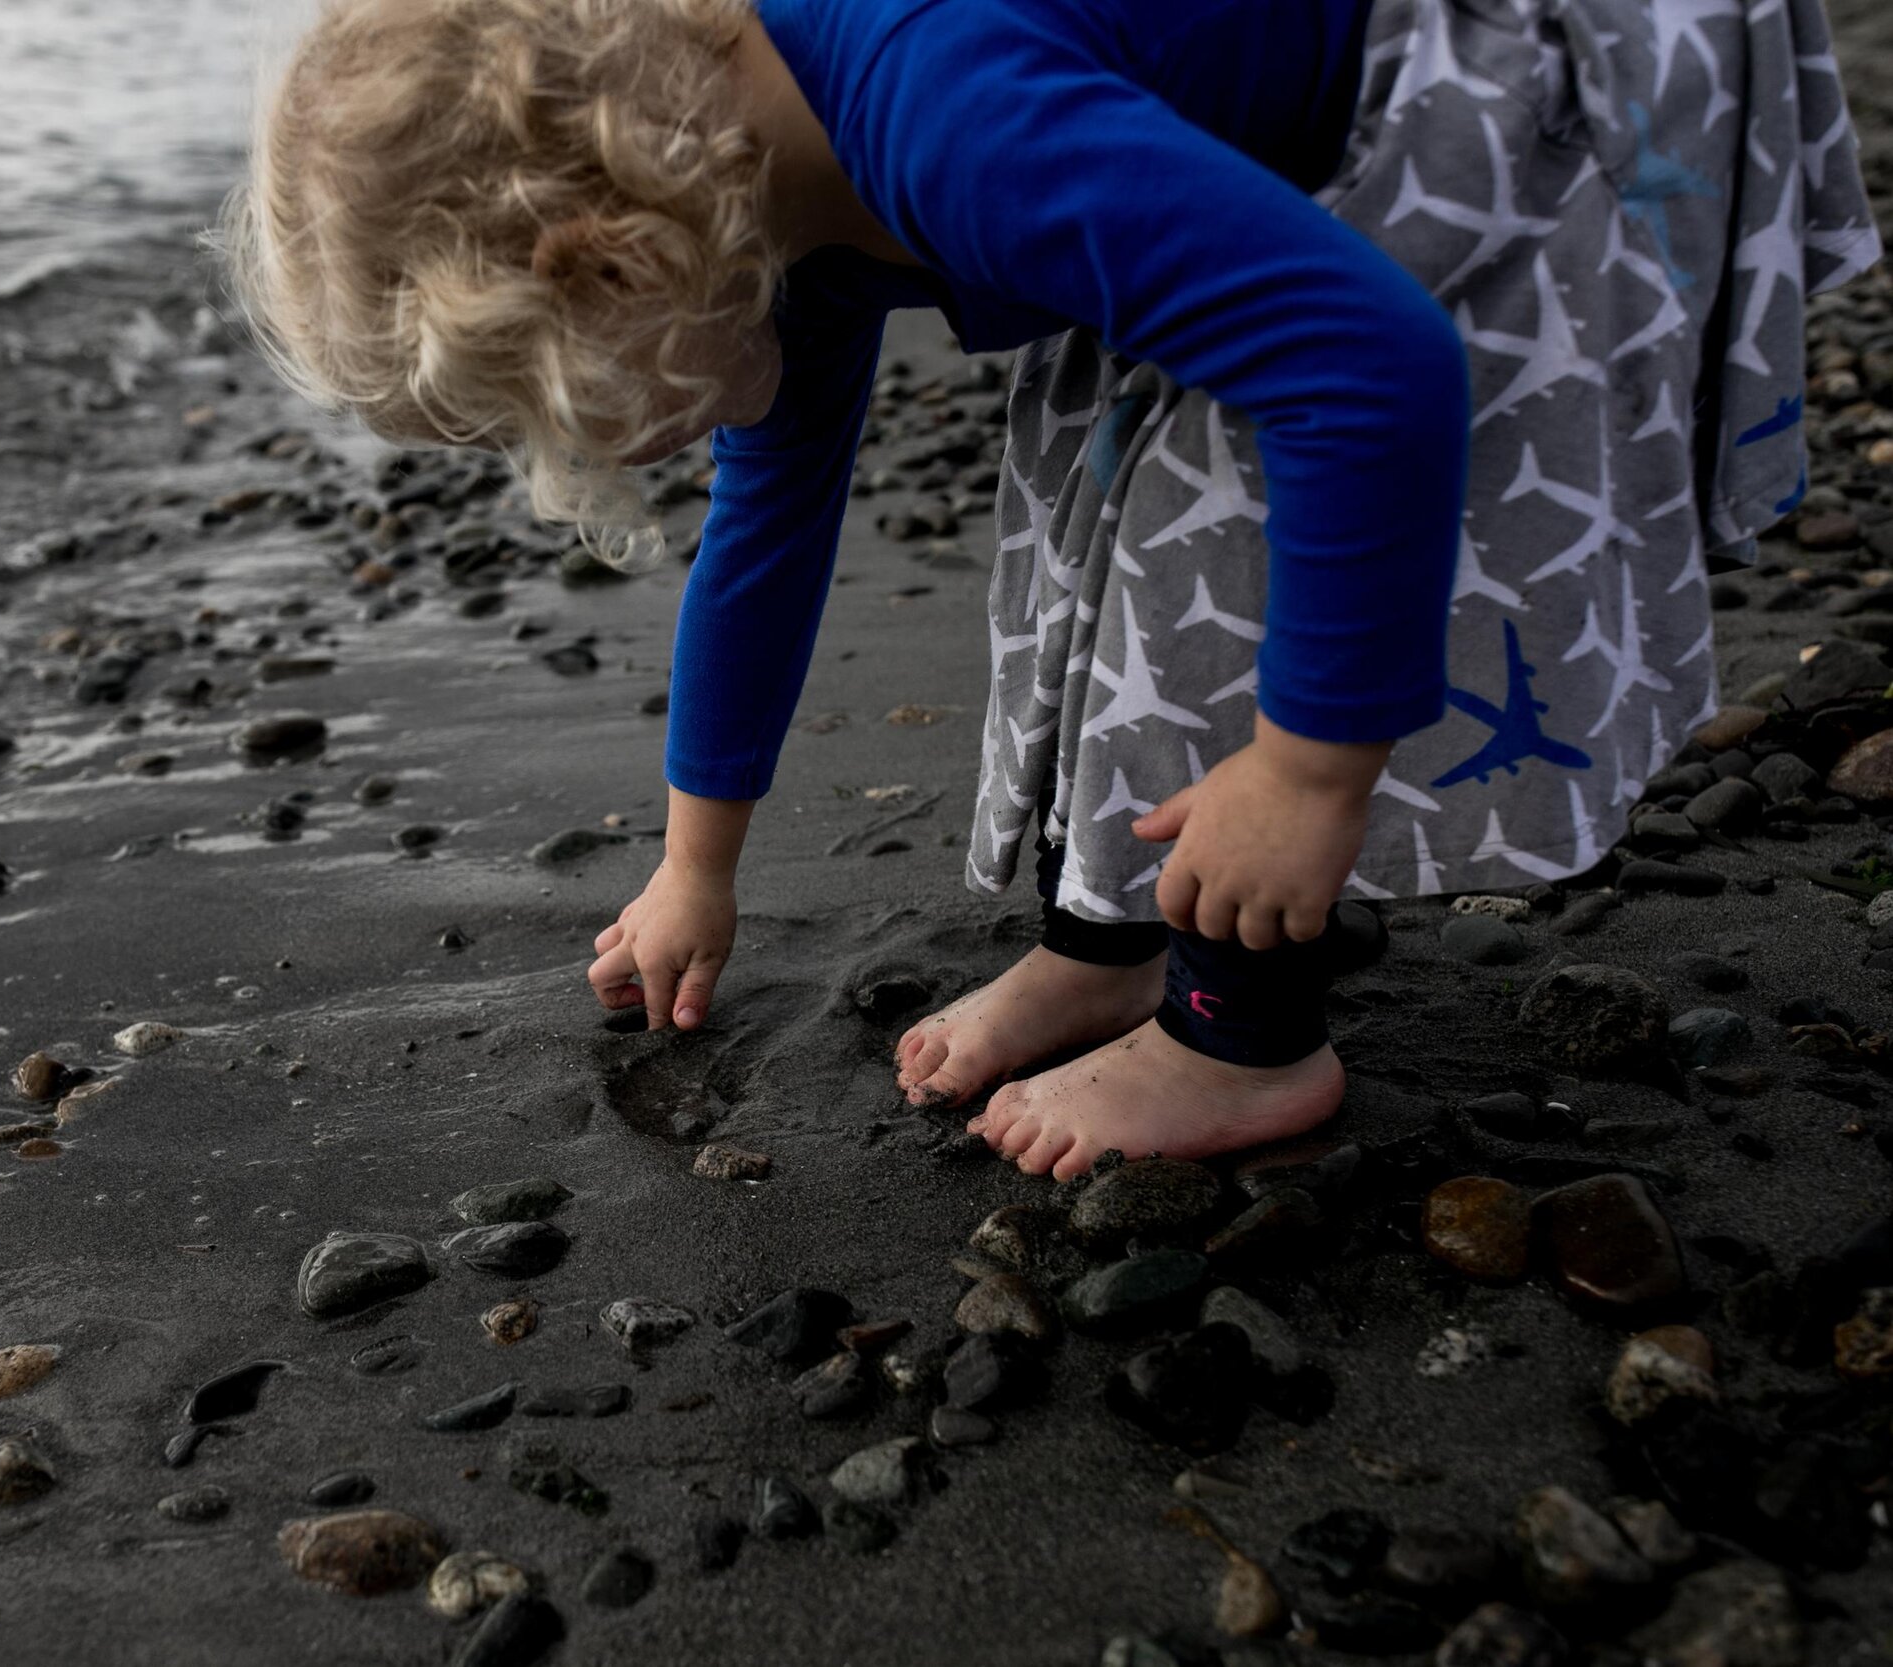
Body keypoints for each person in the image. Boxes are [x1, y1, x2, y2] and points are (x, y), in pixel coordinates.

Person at [220, 0, 1881, 1176]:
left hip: (1495, 66)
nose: (601, 450)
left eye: (569, 402)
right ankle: (1111, 943)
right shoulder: (745, 172)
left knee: (1227, 548)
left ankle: (1250, 1044)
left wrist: (1310, 769)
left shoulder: (941, 121)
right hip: (1231, 114)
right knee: (1094, 510)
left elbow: (1372, 364)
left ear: (615, 255)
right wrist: (689, 872)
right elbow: (769, 522)